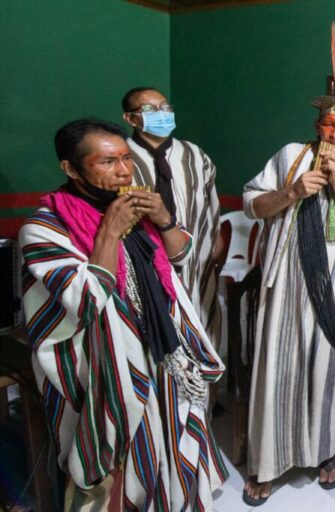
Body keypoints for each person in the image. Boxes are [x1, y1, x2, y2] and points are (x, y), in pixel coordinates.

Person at [19, 119, 227, 510]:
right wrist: (110, 232)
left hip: (165, 350)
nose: (124, 171)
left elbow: (181, 256)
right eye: (108, 162)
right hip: (111, 369)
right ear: (70, 168)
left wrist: (164, 217)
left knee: (175, 444)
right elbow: (85, 302)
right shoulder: (45, 227)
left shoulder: (140, 209)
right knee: (128, 462)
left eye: (127, 159)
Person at [240, 12, 335, 506]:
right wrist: (294, 191)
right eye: (329, 123)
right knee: (278, 367)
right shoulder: (287, 157)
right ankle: (267, 461)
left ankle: (329, 451)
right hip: (286, 283)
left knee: (327, 368)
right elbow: (253, 206)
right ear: (317, 125)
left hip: (334, 287)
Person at [122, 87, 221, 350]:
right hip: (145, 264)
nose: (162, 115)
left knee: (201, 328)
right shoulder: (122, 159)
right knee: (153, 335)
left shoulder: (195, 156)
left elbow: (210, 208)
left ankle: (202, 389)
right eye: (150, 110)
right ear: (131, 119)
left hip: (197, 264)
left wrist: (214, 246)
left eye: (165, 108)